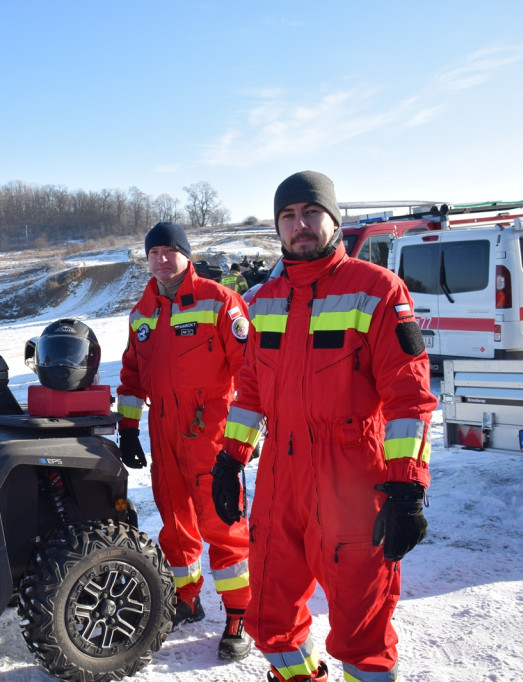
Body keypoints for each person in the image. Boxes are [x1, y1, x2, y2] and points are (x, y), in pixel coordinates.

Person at [211, 171, 436, 682]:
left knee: (362, 631)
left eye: (311, 212)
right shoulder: (264, 298)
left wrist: (406, 487)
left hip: (352, 479)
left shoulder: (377, 291)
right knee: (269, 619)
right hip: (279, 482)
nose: (300, 225)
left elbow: (411, 397)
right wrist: (231, 459)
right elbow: (249, 392)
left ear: (335, 220)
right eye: (288, 217)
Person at [116, 221, 253, 661]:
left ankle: (237, 617)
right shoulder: (142, 312)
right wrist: (128, 428)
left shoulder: (219, 301)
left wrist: (242, 442)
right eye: (153, 252)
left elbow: (250, 374)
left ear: (186, 255)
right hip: (164, 432)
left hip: (211, 430)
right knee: (175, 523)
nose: (160, 259)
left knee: (223, 524)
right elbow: (132, 376)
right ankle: (186, 599)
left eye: (168, 251)